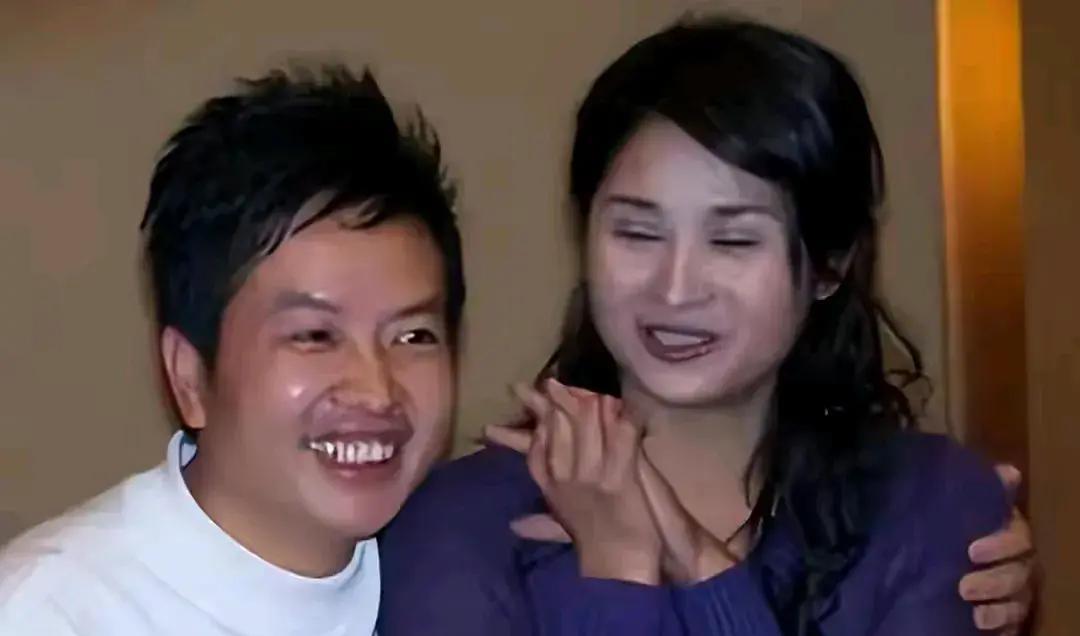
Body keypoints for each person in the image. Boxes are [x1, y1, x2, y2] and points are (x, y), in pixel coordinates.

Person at [378, 18, 1035, 635]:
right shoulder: (461, 523)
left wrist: (697, 563)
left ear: (831, 264)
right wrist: (618, 567)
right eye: (637, 233)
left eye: (733, 241)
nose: (675, 288)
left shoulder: (931, 508)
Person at [0, 66, 465, 635]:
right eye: (314, 336)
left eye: (413, 336)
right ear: (190, 377)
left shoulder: (465, 568)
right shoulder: (55, 613)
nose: (377, 391)